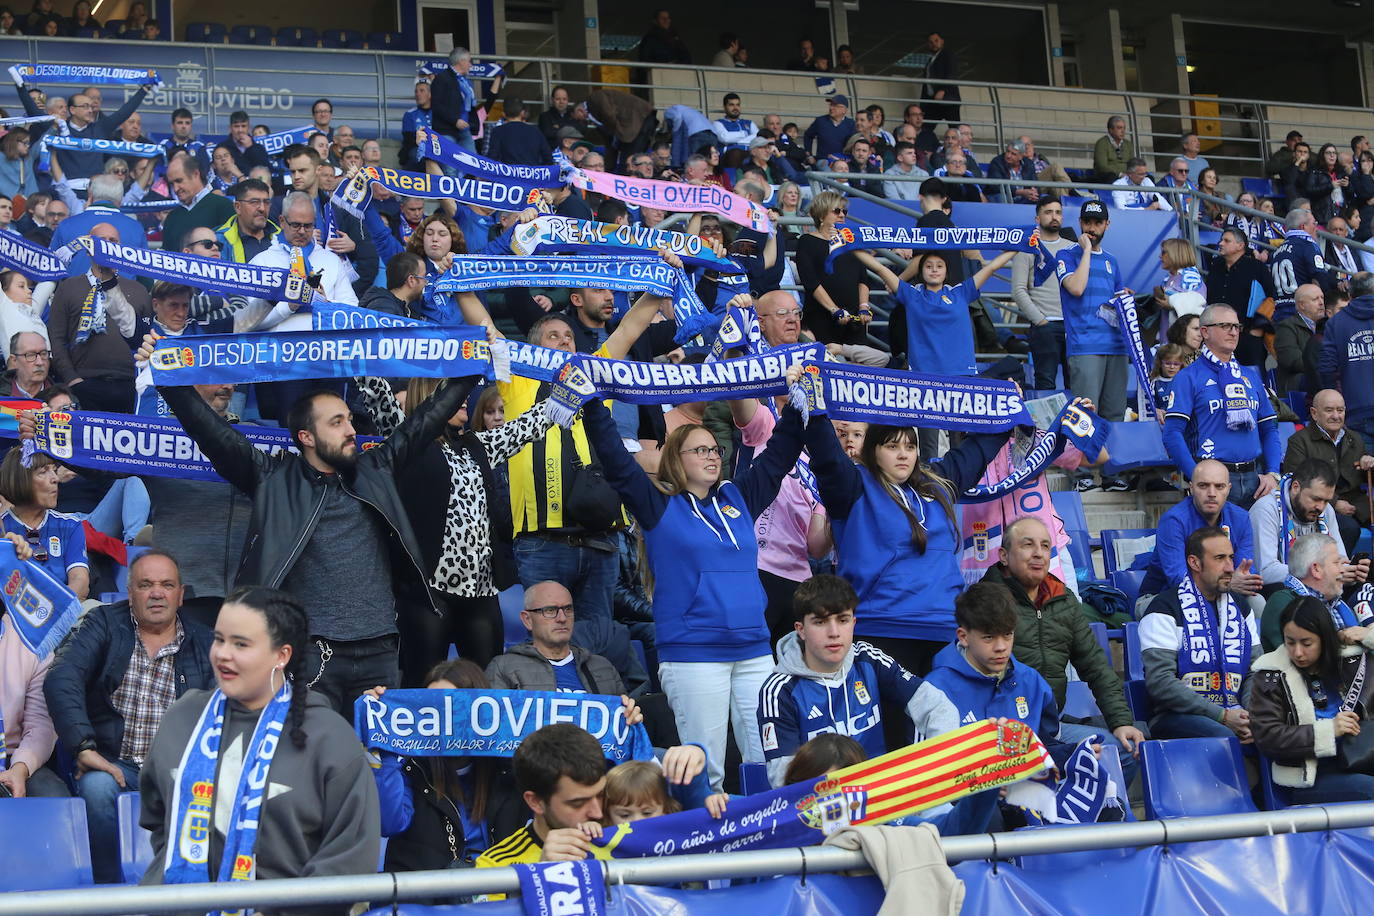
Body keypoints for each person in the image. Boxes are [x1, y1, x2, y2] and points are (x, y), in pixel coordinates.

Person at [143, 330, 484, 715]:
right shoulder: (273, 479)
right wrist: (168, 376)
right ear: (306, 436)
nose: (352, 430)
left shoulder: (377, 469)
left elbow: (426, 419)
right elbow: (213, 434)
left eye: (350, 420)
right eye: (337, 422)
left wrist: (472, 367)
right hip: (312, 655)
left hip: (382, 652)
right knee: (311, 758)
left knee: (377, 764)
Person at [580, 367, 818, 791]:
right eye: (699, 450)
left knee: (768, 761)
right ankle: (706, 849)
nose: (712, 455)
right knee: (704, 766)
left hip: (753, 652)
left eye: (714, 448)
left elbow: (779, 453)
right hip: (694, 654)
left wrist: (800, 399)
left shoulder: (737, 498)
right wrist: (593, 403)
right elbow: (617, 462)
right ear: (676, 457)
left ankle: (765, 845)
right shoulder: (657, 505)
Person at [139, 587, 380, 896]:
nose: (223, 653)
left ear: (282, 655)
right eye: (219, 639)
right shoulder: (181, 717)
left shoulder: (329, 736)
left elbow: (351, 855)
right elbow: (158, 819)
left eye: (241, 644)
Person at [803, 403, 1012, 676]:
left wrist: (1006, 405)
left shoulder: (938, 483)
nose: (903, 455)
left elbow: (979, 448)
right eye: (892, 447)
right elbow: (826, 455)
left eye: (910, 447)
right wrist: (812, 406)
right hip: (881, 629)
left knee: (945, 719)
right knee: (896, 721)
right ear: (872, 450)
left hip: (944, 631)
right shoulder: (853, 486)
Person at [43, 551, 214, 882]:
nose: (156, 593)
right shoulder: (105, 623)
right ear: (130, 591)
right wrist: (83, 746)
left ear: (180, 594)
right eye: (145, 584)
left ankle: (183, 889)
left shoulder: (205, 643)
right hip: (113, 763)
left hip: (177, 770)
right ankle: (109, 889)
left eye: (167, 585)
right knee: (96, 789)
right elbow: (62, 678)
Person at [758, 572, 958, 789]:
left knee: (947, 809)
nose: (834, 633)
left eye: (842, 620)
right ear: (801, 629)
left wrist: (932, 771)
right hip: (823, 807)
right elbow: (783, 780)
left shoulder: (868, 659)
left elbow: (937, 707)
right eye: (820, 622)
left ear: (853, 623)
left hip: (884, 796)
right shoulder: (779, 690)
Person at [981, 519, 1142, 781]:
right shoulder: (985, 599)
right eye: (1027, 545)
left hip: (1050, 727)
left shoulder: (1063, 600)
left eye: (1045, 546)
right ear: (1004, 555)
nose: (1038, 553)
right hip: (1001, 729)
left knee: (1125, 750)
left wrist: (1121, 722)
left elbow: (1097, 668)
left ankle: (1087, 817)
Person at [1248, 595, 1374, 802]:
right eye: (1290, 642)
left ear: (1324, 638)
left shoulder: (1351, 660)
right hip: (1308, 779)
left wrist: (1367, 636)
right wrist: (1328, 730)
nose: (1298, 652)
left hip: (1362, 762)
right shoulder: (1271, 673)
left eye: (1307, 643)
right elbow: (1268, 737)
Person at [1141, 526, 1262, 740]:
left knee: (1276, 728)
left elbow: (1256, 670)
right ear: (1195, 563)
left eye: (1231, 558)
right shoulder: (1163, 607)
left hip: (1234, 709)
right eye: (1219, 558)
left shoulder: (1241, 607)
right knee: (1224, 734)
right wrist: (1222, 715)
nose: (1229, 567)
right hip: (1175, 716)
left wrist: (1251, 715)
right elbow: (1160, 681)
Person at [1163, 303, 1282, 508]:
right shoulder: (1188, 377)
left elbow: (1269, 428)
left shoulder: (1250, 375)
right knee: (1217, 540)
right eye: (1225, 325)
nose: (1233, 332)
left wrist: (1273, 473)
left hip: (1255, 480)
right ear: (1205, 332)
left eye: (1237, 327)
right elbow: (1172, 433)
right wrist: (1196, 476)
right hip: (1212, 483)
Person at [856, 246, 1015, 378]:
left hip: (961, 374)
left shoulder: (961, 292)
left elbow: (993, 266)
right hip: (923, 375)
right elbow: (878, 267)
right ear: (921, 271)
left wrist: (1019, 246)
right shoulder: (911, 294)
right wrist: (849, 244)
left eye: (939, 266)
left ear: (946, 272)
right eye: (928, 266)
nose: (934, 270)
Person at [46, 222, 151, 414]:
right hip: (84, 385)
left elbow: (148, 339)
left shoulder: (139, 290)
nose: (108, 245)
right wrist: (73, 379)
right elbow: (56, 338)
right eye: (101, 241)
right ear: (88, 249)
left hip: (131, 386)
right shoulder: (69, 287)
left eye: (113, 241)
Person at [476, 723, 608, 870]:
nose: (598, 813)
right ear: (536, 802)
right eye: (577, 803)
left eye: (602, 795)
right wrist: (541, 875)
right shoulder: (495, 866)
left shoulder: (621, 834)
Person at [0, 531, 66, 798]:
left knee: (53, 796)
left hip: (12, 757)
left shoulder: (31, 637)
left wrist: (20, 768)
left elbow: (40, 724)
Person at [1056, 198, 1132, 426]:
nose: (1091, 228)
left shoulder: (1112, 261)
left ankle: (1111, 463)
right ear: (1079, 222)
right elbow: (1077, 288)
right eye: (1087, 222)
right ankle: (1085, 463)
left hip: (1117, 347)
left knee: (1115, 416)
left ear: (1107, 224)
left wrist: (1125, 297)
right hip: (1085, 346)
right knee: (1085, 418)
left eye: (1097, 223)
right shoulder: (1066, 255)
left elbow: (1117, 304)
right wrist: (1087, 250)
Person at [1140, 459, 1261, 600]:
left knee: (1256, 601)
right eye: (1203, 486)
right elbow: (1178, 580)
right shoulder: (1174, 520)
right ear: (1191, 488)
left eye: (1219, 486)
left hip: (1222, 594)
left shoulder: (1241, 518)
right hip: (1166, 599)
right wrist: (1226, 584)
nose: (1211, 493)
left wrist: (1239, 579)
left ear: (1228, 489)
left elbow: (1246, 573)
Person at [486, 580, 630, 696]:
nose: (562, 618)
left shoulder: (602, 667)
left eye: (568, 609)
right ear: (527, 620)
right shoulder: (504, 667)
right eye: (550, 610)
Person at [1251, 459, 1366, 592]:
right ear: (1295, 487)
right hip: (1280, 592)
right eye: (1316, 499)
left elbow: (1339, 558)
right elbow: (1266, 571)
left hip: (1320, 587)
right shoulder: (1265, 510)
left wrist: (1349, 572)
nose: (1321, 507)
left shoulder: (1326, 510)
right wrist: (1319, 572)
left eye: (1326, 501)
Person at [1283, 389, 1374, 553]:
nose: (1336, 416)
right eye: (1329, 410)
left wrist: (1371, 465)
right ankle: (1338, 574)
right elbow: (1295, 484)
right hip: (1319, 505)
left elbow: (1368, 479)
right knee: (1348, 528)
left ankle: (1366, 571)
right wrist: (1334, 503)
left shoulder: (1354, 438)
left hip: (1357, 502)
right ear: (1314, 413)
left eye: (1340, 410)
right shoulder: (1298, 441)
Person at [1260, 533, 1374, 653]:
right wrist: (1339, 639)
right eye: (1337, 563)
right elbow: (1298, 657)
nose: (1342, 570)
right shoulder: (1284, 602)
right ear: (1316, 569)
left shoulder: (1337, 604)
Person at [1012, 197, 1076, 390]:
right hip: (1044, 325)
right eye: (1048, 212)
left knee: (1075, 382)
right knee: (1045, 382)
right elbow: (1018, 290)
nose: (1054, 217)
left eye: (1058, 212)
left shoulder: (1073, 249)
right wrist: (1040, 321)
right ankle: (1044, 421)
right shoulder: (1026, 249)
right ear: (1037, 218)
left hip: (1072, 326)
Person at [794, 190, 871, 349]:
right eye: (836, 211)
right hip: (821, 317)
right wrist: (834, 310)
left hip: (853, 319)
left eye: (844, 211)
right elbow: (810, 281)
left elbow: (863, 279)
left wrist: (864, 307)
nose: (842, 215)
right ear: (821, 216)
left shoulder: (851, 242)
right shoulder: (807, 241)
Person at [1207, 226, 1277, 368]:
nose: (1221, 243)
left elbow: (1271, 299)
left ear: (1240, 246)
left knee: (1253, 380)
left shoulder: (1257, 268)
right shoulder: (1216, 266)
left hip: (1247, 335)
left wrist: (1258, 329)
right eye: (1221, 240)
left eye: (1226, 241)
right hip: (1218, 335)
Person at [1319, 272, 1374, 445]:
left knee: (1362, 471)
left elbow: (1326, 369)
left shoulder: (1336, 322)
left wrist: (1335, 406)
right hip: (1356, 413)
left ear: (1349, 294)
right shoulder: (1336, 323)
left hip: (1355, 411)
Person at [160, 152, 236, 253]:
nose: (175, 188)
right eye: (171, 184)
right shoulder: (172, 217)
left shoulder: (223, 206)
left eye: (179, 181)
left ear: (196, 174)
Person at [1272, 208, 1336, 323]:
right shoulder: (1308, 245)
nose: (1316, 227)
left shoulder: (1277, 251)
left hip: (1280, 311)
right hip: (1302, 311)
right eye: (1313, 223)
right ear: (1303, 227)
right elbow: (1319, 276)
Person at [215, 178, 278, 264]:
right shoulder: (219, 241)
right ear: (238, 207)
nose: (262, 208)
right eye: (255, 202)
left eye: (266, 202)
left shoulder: (282, 236)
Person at [430, 47, 478, 153]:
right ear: (461, 61)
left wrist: (472, 123)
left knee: (472, 166)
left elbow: (470, 106)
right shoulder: (442, 78)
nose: (471, 65)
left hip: (464, 131)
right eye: (469, 61)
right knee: (450, 168)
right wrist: (455, 120)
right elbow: (436, 105)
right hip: (446, 131)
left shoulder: (465, 81)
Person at [486, 98, 551, 168]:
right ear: (523, 113)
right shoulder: (535, 131)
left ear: (503, 114)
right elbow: (548, 158)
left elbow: (492, 158)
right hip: (532, 176)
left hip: (509, 177)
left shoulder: (497, 131)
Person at [1303, 143, 1350, 225]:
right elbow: (1309, 191)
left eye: (1334, 153)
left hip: (1341, 214)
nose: (1332, 155)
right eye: (1328, 153)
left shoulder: (1341, 172)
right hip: (1323, 215)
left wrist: (1348, 186)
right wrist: (1331, 186)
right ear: (1322, 156)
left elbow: (1351, 195)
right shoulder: (1315, 172)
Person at [920, 31, 960, 125]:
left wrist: (942, 90)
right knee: (926, 126)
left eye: (936, 40)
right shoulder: (931, 60)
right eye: (931, 42)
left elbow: (951, 73)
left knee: (954, 127)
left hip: (947, 98)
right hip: (933, 100)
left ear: (942, 41)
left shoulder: (947, 55)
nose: (934, 44)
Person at [803, 95, 856, 162]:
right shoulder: (820, 121)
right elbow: (808, 136)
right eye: (831, 105)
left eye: (835, 105)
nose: (831, 108)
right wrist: (809, 155)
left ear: (844, 110)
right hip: (824, 161)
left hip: (844, 162)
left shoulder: (851, 124)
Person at [985, 138, 1039, 204]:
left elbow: (1034, 182)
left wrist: (1033, 191)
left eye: (1013, 154)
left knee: (1040, 199)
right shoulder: (997, 162)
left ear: (1021, 156)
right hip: (1000, 195)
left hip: (1023, 197)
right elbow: (996, 186)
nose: (1008, 156)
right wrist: (1019, 192)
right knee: (1002, 198)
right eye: (1008, 151)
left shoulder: (1028, 164)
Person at [6, 330, 51, 397]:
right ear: (14, 361)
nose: (40, 362)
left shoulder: (64, 401)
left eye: (43, 354)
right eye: (30, 355)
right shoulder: (3, 398)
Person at [1093, 116, 1134, 183]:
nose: (1123, 131)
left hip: (1126, 175)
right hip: (1108, 176)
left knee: (1148, 177)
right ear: (1110, 130)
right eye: (1119, 128)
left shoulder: (1128, 144)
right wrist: (1120, 174)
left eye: (1124, 128)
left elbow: (1133, 164)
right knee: (1111, 177)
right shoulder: (1102, 143)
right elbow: (1102, 166)